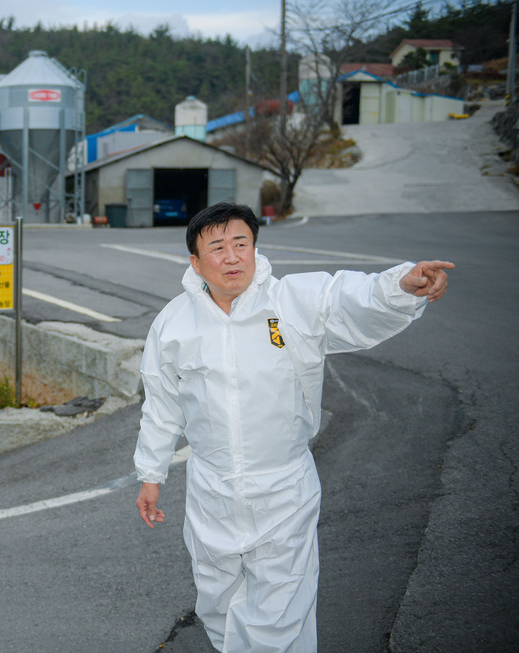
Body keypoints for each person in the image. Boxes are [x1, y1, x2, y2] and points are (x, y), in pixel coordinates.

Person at [133, 202, 453, 651]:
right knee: (217, 602)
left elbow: (349, 295)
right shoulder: (174, 324)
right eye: (218, 247)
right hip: (212, 492)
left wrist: (401, 285)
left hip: (283, 488)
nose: (232, 256)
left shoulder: (292, 303)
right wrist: (151, 474)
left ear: (255, 249)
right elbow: (161, 403)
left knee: (280, 611)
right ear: (195, 262)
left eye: (241, 243)